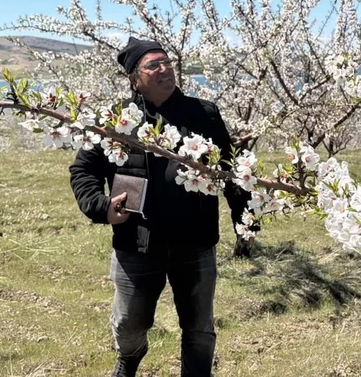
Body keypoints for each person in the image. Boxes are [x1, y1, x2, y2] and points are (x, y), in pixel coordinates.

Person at [68, 36, 255, 377]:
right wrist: (100, 206)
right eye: (153, 65)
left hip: (195, 241)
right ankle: (129, 358)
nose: (165, 69)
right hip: (136, 242)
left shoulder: (204, 114)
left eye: (167, 62)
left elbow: (230, 171)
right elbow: (82, 170)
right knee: (129, 323)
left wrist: (246, 222)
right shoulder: (116, 121)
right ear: (134, 77)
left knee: (199, 326)